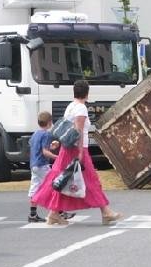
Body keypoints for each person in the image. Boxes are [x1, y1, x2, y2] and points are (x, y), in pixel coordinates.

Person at [32, 80, 122, 225]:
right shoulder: (81, 108)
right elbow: (78, 131)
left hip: (67, 148)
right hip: (77, 149)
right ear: (87, 93)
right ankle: (105, 212)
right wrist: (80, 152)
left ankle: (54, 213)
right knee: (89, 180)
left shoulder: (70, 107)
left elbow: (67, 130)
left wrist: (60, 143)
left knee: (63, 179)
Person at [27, 112, 58, 222]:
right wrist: (57, 157)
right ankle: (59, 212)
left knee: (34, 188)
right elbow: (45, 152)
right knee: (56, 184)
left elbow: (36, 147)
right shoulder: (46, 134)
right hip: (42, 165)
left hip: (34, 165)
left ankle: (32, 214)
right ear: (50, 122)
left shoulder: (35, 134)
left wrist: (51, 146)